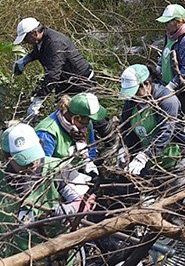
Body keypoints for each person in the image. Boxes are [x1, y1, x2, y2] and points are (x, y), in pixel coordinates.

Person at [1, 122, 93, 255]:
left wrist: (73, 208)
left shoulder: (57, 169)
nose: (33, 163)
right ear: (8, 159)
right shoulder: (3, 180)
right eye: (24, 160)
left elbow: (88, 198)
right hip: (15, 255)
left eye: (33, 154)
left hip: (58, 253)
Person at [117, 64, 185, 177]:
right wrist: (125, 148)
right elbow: (126, 127)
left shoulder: (167, 100)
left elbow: (165, 132)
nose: (133, 97)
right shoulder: (131, 102)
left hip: (175, 155)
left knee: (179, 189)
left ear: (147, 84)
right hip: (150, 158)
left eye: (136, 92)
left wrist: (145, 156)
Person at [11, 18, 95, 120]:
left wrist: (38, 100)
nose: (25, 42)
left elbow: (52, 75)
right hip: (65, 82)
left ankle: (110, 134)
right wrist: (25, 60)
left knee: (88, 115)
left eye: (25, 38)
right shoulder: (42, 39)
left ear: (34, 33)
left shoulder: (55, 43)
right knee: (64, 117)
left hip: (81, 82)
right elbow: (40, 51)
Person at [35, 93, 107, 162]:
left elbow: (91, 148)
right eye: (88, 119)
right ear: (76, 118)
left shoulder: (86, 124)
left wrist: (90, 163)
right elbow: (43, 165)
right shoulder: (47, 133)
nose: (88, 123)